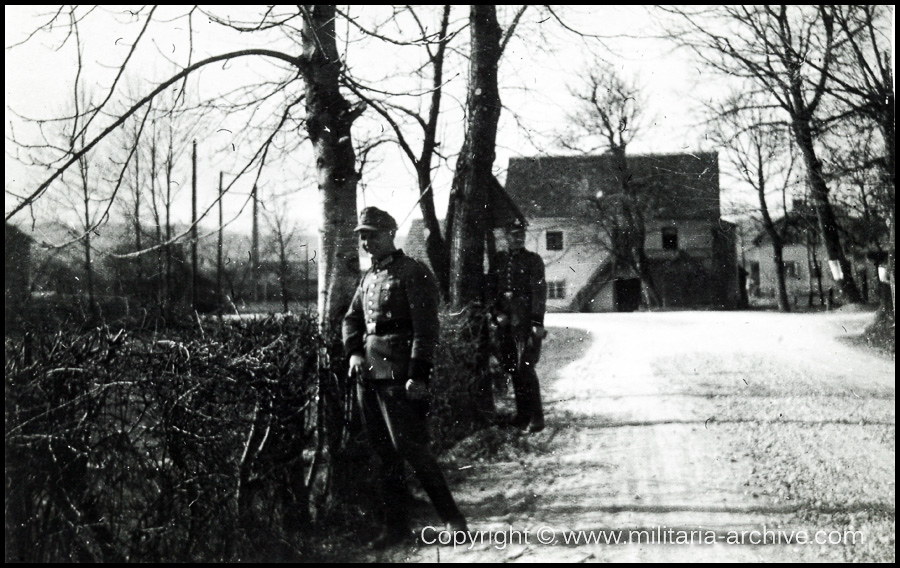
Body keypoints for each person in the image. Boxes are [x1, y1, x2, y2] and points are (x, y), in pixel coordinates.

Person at [342, 206, 468, 550]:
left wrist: (418, 375)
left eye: (372, 234)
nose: (366, 241)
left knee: (411, 448)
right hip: (367, 374)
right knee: (384, 453)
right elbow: (351, 319)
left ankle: (453, 520)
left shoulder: (413, 272)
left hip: (400, 375)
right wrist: (354, 351)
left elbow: (426, 329)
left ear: (390, 234)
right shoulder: (368, 277)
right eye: (362, 236)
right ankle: (395, 528)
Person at [486, 218, 547, 434]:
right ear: (506, 236)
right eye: (514, 234)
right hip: (505, 325)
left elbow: (539, 294)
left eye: (521, 234)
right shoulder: (499, 261)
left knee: (526, 369)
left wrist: (537, 323)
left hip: (525, 324)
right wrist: (496, 314)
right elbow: (491, 291)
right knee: (514, 371)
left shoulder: (534, 260)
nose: (518, 238)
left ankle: (537, 418)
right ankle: (522, 416)